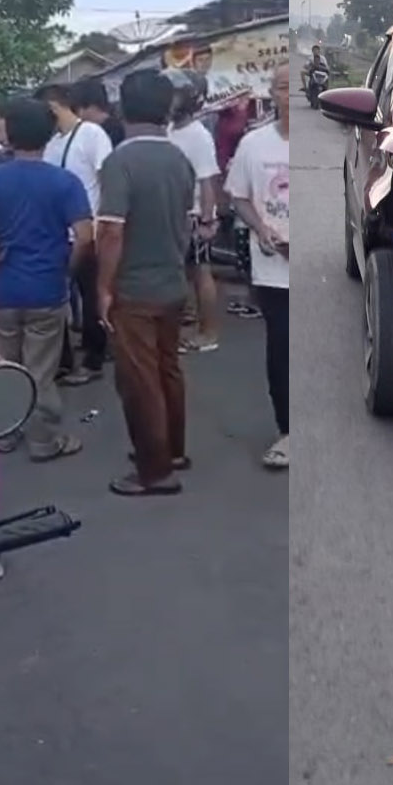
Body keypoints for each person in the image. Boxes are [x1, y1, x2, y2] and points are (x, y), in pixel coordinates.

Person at [0, 97, 93, 461]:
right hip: (47, 288)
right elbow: (84, 235)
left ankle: (3, 434)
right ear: (49, 132)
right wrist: (67, 271)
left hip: (0, 291)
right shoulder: (65, 182)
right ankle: (43, 440)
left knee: (3, 364)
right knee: (40, 369)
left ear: (8, 134)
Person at [97, 70, 194, 497]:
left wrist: (103, 287)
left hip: (134, 289)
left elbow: (112, 231)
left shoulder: (120, 161)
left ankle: (154, 472)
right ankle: (172, 451)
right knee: (168, 369)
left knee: (140, 381)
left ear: (122, 108)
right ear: (167, 109)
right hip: (173, 281)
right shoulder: (179, 159)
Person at [226, 60, 290, 469]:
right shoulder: (253, 144)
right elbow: (238, 197)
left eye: (291, 86)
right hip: (273, 268)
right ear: (272, 93)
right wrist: (262, 229)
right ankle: (288, 431)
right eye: (279, 87)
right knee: (281, 349)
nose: (286, 94)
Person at [38, 81, 114, 385]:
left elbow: (106, 180)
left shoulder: (92, 134)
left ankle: (94, 361)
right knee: (64, 298)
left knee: (92, 296)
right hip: (59, 235)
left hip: (89, 232)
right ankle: (69, 357)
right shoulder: (52, 143)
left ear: (54, 107)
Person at [164, 69, 222, 354]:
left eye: (174, 94)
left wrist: (208, 219)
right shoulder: (170, 129)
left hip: (194, 215)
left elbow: (208, 180)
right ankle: (184, 327)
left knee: (201, 273)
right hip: (174, 214)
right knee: (182, 274)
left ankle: (208, 332)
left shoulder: (197, 135)